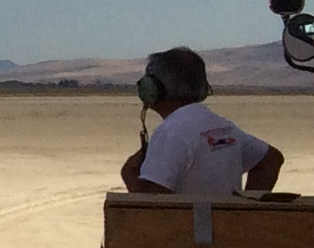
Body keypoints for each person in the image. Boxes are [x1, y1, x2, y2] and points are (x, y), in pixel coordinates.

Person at [122, 47, 285, 199]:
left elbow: (151, 198)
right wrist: (245, 208)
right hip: (219, 220)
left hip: (191, 222)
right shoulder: (221, 126)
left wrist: (129, 173)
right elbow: (270, 159)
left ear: (153, 87)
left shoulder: (171, 131)